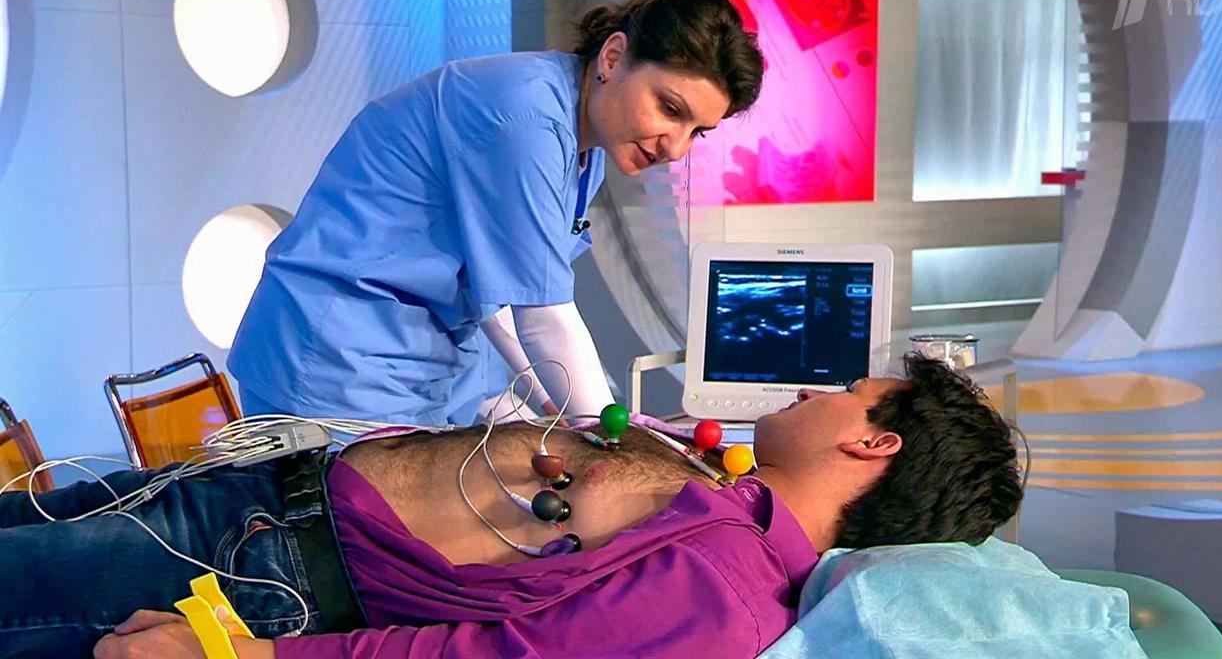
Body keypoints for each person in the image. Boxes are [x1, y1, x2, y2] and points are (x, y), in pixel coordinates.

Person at [0, 355, 1021, 659]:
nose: (810, 389)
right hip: (257, 506)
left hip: (257, 576)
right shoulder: (728, 515)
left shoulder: (728, 599)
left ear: (873, 443)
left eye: (845, 392)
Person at [227, 0, 764, 427]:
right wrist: (611, 434)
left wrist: (551, 400)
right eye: (669, 109)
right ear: (613, 56)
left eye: (698, 132)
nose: (675, 148)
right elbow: (544, 315)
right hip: (333, 361)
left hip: (408, 365)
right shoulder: (526, 118)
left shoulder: (583, 144)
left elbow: (505, 291)